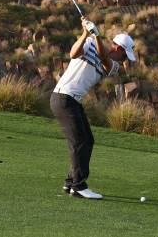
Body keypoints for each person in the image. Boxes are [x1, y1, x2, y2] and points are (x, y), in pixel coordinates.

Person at [50, 16, 136, 200]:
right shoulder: (88, 42)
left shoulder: (113, 66)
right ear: (119, 49)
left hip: (73, 101)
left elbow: (103, 56)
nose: (124, 60)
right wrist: (85, 32)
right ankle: (78, 185)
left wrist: (96, 35)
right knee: (78, 141)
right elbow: (73, 54)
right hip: (63, 97)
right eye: (125, 55)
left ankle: (71, 181)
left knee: (87, 140)